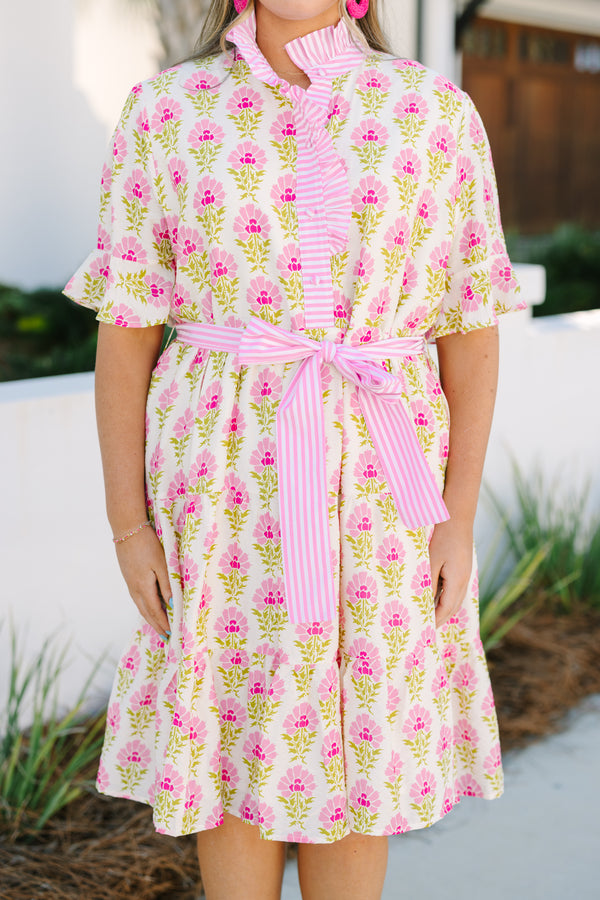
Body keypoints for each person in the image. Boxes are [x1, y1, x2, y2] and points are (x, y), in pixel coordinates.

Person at [64, 1, 524, 898]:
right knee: (233, 736)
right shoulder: (167, 110)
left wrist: (458, 516)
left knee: (357, 755)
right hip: (221, 490)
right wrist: (129, 524)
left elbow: (468, 325)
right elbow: (126, 332)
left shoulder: (432, 113)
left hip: (384, 495)